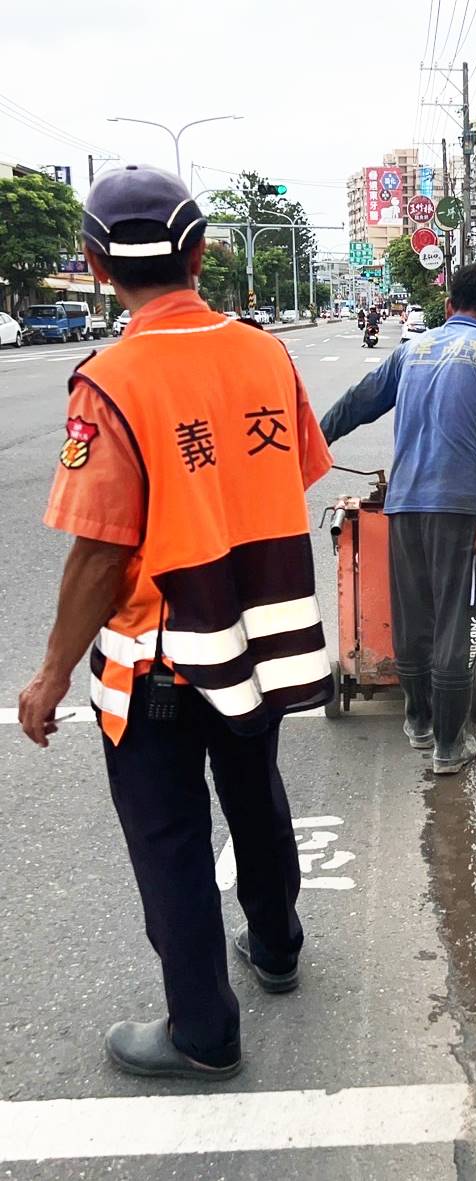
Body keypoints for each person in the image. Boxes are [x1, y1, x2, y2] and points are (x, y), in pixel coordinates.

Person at [18, 165, 335, 1081]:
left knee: (170, 839)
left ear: (94, 263)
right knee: (255, 796)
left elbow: (102, 551)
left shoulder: (110, 379)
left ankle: (204, 1031)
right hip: (256, 637)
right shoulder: (266, 354)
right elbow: (296, 470)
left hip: (160, 658)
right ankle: (276, 946)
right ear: (200, 253)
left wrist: (47, 676)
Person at [321, 263, 476, 775]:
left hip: (405, 503)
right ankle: (449, 748)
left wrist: (316, 439)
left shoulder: (412, 349)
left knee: (412, 616)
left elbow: (361, 401)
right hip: (459, 508)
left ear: (449, 306)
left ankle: (418, 720)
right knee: (452, 622)